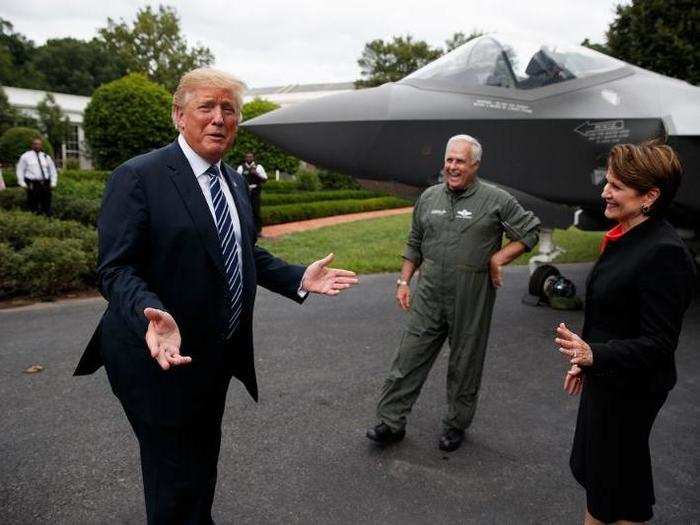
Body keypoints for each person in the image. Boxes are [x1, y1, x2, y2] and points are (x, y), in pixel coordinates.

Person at [74, 67, 358, 524]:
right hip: (156, 357)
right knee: (172, 477)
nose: (218, 118)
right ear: (178, 114)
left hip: (214, 357)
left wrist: (297, 278)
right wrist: (151, 313)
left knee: (202, 463)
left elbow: (241, 252)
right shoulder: (139, 177)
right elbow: (115, 268)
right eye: (206, 106)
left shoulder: (233, 182)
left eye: (229, 109)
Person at [366, 134, 540, 452]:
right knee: (408, 358)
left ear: (475, 164)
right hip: (430, 290)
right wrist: (403, 282)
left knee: (465, 364)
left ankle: (456, 424)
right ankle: (390, 422)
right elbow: (414, 242)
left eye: (460, 161)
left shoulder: (496, 199)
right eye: (449, 160)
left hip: (472, 293)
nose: (453, 166)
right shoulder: (429, 198)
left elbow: (530, 230)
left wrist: (498, 258)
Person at [555, 142, 695, 524]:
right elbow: (615, 317)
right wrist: (588, 361)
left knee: (615, 486)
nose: (604, 191)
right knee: (606, 478)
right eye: (608, 182)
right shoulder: (628, 236)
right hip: (609, 378)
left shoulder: (664, 253)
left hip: (632, 390)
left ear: (650, 196)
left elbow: (659, 345)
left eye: (617, 186)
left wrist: (596, 355)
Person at [16, 137, 57, 215]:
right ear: (32, 145)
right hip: (32, 184)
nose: (37, 146)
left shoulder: (46, 157)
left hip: (45, 183)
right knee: (33, 205)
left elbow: (53, 170)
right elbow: (20, 170)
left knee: (47, 205)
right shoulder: (25, 156)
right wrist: (22, 183)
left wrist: (53, 183)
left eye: (39, 144)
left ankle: (46, 220)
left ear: (41, 146)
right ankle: (35, 222)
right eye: (35, 144)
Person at [237, 151, 267, 233]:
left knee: (256, 211)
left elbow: (265, 179)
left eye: (251, 157)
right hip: (245, 192)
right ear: (245, 158)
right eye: (247, 157)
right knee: (245, 211)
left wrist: (256, 174)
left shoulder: (258, 167)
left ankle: (258, 231)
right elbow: (237, 180)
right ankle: (247, 231)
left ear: (253, 158)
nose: (249, 158)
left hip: (256, 191)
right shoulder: (241, 168)